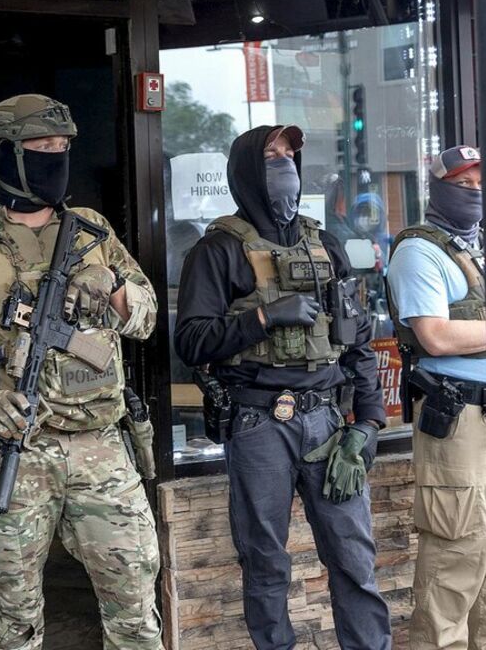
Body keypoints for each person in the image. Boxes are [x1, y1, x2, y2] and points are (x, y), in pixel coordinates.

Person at [0, 94, 162, 650]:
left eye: (63, 147)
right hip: (13, 447)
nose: (56, 157)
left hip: (100, 443)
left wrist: (114, 287)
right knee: (11, 613)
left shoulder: (92, 229)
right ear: (3, 153)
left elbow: (146, 316)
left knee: (136, 599)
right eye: (42, 147)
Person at [174, 125, 390, 650]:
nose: (285, 164)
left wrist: (367, 422)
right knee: (265, 564)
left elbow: (358, 340)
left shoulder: (326, 245)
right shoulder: (218, 250)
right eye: (272, 155)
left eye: (290, 154)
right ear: (247, 169)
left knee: (354, 560)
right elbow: (191, 341)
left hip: (328, 425)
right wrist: (264, 318)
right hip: (258, 424)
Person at [385, 146, 486, 649]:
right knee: (456, 552)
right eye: (462, 184)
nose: (474, 193)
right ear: (437, 189)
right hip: (457, 416)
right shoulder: (419, 252)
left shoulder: (483, 248)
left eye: (481, 184)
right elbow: (436, 336)